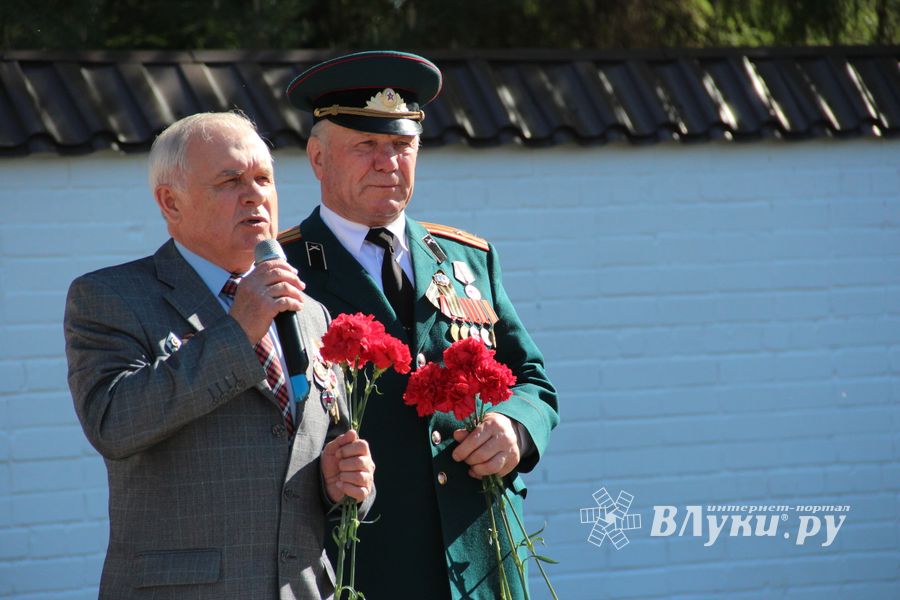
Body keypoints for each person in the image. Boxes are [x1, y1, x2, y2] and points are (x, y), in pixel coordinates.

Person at [279, 51, 559, 599]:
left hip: (482, 559)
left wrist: (516, 429)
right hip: (364, 565)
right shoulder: (283, 274)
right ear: (318, 158)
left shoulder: (468, 259)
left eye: (402, 146)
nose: (388, 162)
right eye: (365, 146)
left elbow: (534, 381)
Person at [64, 111, 375, 599]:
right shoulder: (112, 297)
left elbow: (316, 453)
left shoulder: (310, 311)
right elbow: (113, 422)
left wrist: (343, 485)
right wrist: (238, 330)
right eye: (230, 180)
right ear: (171, 202)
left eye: (263, 178)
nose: (254, 195)